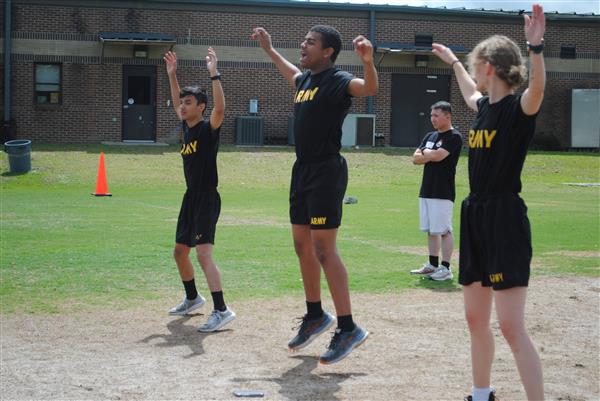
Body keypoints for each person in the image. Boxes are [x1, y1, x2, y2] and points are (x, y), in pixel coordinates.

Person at [431, 4, 546, 401]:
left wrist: (536, 47)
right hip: (475, 213)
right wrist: (451, 63)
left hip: (504, 216)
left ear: (491, 66)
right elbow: (468, 91)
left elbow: (538, 91)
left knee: (512, 327)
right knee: (475, 318)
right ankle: (482, 394)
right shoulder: (484, 109)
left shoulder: (518, 109)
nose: (474, 69)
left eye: (476, 64)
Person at [251, 25, 378, 364]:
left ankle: (349, 327)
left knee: (324, 249)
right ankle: (315, 316)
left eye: (310, 42)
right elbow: (290, 72)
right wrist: (269, 49)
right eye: (303, 39)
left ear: (328, 52)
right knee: (301, 245)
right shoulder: (305, 80)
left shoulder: (338, 79)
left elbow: (369, 87)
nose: (303, 45)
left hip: (326, 171)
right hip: (302, 170)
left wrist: (368, 61)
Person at [163, 48, 235, 332]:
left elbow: (220, 109)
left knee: (203, 254)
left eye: (188, 102)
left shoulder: (207, 129)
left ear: (200, 107)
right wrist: (172, 75)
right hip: (190, 197)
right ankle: (193, 299)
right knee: (180, 252)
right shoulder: (187, 128)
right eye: (181, 103)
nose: (182, 106)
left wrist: (214, 73)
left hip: (206, 196)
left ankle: (221, 310)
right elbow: (178, 99)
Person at [411, 101, 462, 281]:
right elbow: (415, 159)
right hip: (427, 189)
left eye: (436, 115)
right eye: (431, 115)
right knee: (431, 230)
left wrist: (426, 153)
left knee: (444, 230)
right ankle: (432, 265)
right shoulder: (430, 136)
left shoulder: (454, 137)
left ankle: (446, 268)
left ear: (447, 116)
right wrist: (428, 154)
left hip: (443, 191)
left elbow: (439, 156)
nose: (432, 119)